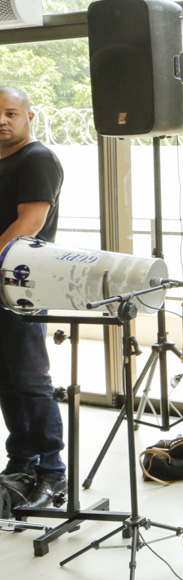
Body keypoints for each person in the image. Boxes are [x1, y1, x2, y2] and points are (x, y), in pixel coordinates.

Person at [0, 87, 66, 509]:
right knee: (8, 380)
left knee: (30, 379)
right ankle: (21, 461)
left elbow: (30, 222)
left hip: (21, 284)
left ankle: (52, 470)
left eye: (11, 113)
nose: (3, 121)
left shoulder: (36, 159)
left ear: (29, 116)